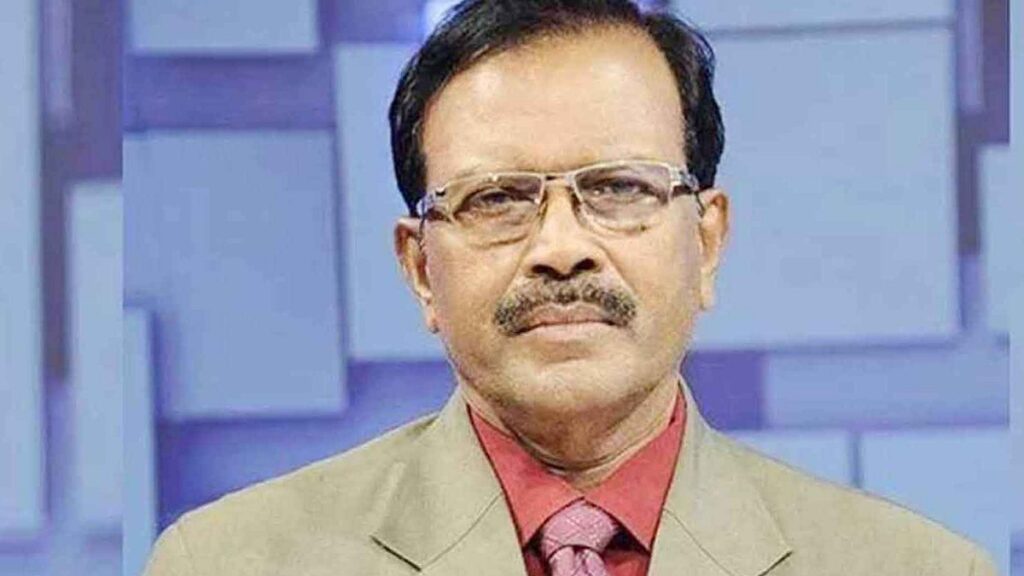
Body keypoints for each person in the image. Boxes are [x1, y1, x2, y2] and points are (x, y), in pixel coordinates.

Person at [143, 1, 997, 574]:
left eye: (620, 188)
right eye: (497, 199)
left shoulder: (918, 568)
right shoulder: (228, 562)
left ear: (706, 241)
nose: (560, 249)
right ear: (419, 268)